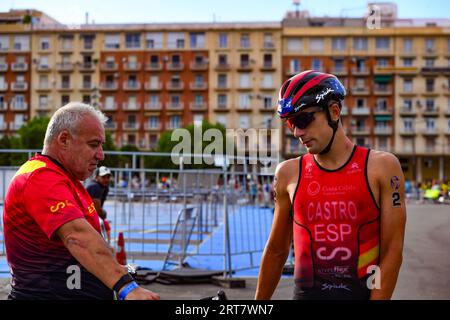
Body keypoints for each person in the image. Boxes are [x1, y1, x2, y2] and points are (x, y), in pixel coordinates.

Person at [255, 70, 406, 300]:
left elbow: (391, 252)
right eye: (290, 124)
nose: (297, 132)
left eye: (303, 120)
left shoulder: (382, 168)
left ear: (334, 112)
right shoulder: (287, 173)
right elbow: (276, 250)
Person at [3, 102, 160, 300]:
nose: (101, 155)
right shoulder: (40, 176)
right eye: (94, 144)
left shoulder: (68, 180)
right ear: (64, 139)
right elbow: (76, 236)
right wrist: (127, 287)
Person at [86, 166, 112, 243]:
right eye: (103, 177)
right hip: (86, 218)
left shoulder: (104, 187)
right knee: (105, 229)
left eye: (108, 177)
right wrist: (103, 213)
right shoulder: (95, 187)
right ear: (97, 177)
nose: (106, 179)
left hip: (88, 217)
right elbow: (96, 210)